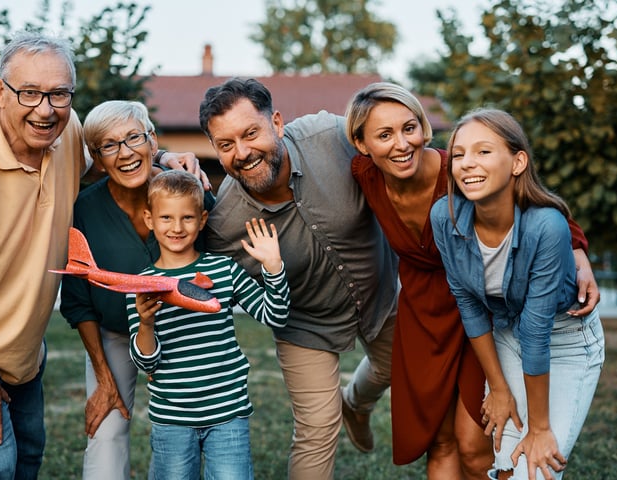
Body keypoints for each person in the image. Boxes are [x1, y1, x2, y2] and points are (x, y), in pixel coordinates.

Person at [0, 32, 205, 479]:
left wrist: (161, 154)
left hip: (23, 343)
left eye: (59, 94)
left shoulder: (64, 135)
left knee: (29, 455)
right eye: (29, 93)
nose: (45, 109)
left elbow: (110, 159)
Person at [344, 83, 600, 478]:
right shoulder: (365, 174)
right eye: (384, 134)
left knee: (476, 443)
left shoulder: (459, 170)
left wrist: (578, 253)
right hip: (423, 312)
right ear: (362, 145)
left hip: (480, 307)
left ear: (423, 127)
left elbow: (534, 208)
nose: (401, 144)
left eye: (409, 127)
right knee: (439, 438)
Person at [198, 77, 399, 479]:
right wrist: (168, 159)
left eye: (251, 133)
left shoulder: (333, 135)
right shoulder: (224, 225)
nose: (242, 153)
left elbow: (396, 146)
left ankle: (356, 403)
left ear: (277, 121)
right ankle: (340, 411)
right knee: (317, 430)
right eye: (225, 145)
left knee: (394, 368)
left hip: (383, 294)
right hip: (305, 325)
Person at [430, 108, 605, 480]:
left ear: (517, 161)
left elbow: (538, 329)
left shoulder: (547, 225)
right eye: (458, 154)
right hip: (508, 337)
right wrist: (498, 388)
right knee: (506, 466)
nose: (466, 164)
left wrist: (539, 429)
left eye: (483, 152)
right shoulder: (444, 218)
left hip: (567, 342)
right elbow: (469, 304)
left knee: (536, 471)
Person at [58, 100, 214, 480]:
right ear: (96, 157)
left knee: (191, 432)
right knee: (107, 428)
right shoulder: (83, 210)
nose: (125, 153)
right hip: (115, 332)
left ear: (152, 140)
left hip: (186, 332)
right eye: (109, 145)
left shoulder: (187, 191)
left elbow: (218, 263)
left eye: (133, 138)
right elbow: (79, 303)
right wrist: (103, 377)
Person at [126, 170, 290, 479]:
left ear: (202, 220)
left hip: (227, 413)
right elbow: (147, 361)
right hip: (172, 417)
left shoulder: (224, 269)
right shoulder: (141, 285)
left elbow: (275, 315)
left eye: (187, 218)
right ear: (149, 219)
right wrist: (146, 323)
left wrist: (273, 267)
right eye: (166, 218)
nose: (177, 227)